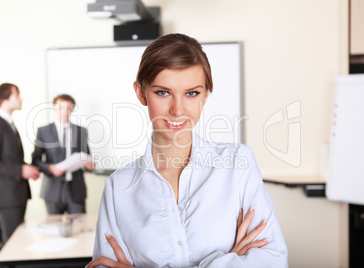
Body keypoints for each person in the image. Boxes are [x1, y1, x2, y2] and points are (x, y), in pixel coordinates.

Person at [87, 33, 288, 267]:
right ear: (141, 93)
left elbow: (272, 260)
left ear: (205, 95)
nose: (177, 110)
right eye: (163, 92)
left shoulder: (237, 164)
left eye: (192, 93)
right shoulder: (118, 187)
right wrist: (228, 260)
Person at [0, 83, 40, 243]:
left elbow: (11, 159)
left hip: (17, 195)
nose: (21, 98)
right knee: (12, 245)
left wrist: (28, 169)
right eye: (17, 95)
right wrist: (21, 170)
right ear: (5, 99)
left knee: (19, 243)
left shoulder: (9, 124)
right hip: (6, 197)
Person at [32, 94, 95, 214]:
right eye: (61, 108)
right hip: (53, 190)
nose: (65, 112)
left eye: (69, 108)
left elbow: (87, 155)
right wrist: (50, 168)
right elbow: (35, 160)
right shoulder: (43, 131)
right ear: (54, 108)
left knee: (80, 226)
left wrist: (90, 165)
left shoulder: (81, 131)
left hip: (76, 189)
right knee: (54, 229)